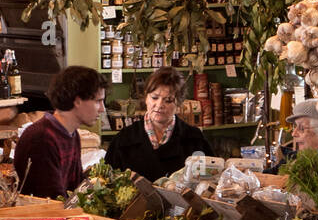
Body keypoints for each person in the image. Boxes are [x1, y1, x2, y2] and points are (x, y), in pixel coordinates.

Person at [14, 65, 107, 199]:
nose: (102, 109)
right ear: (77, 101)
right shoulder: (41, 139)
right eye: (98, 101)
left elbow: (76, 188)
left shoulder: (71, 134)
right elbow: (51, 201)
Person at [105, 68, 212, 181]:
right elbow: (108, 184)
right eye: (154, 98)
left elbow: (210, 180)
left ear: (179, 103)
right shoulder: (123, 140)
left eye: (168, 100)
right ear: (146, 98)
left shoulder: (195, 139)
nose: (159, 105)